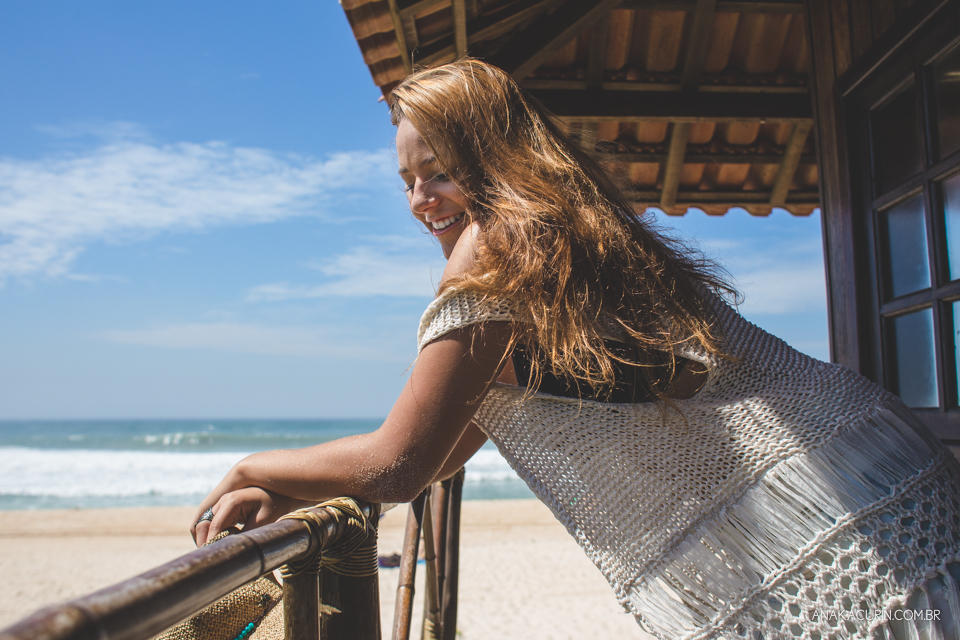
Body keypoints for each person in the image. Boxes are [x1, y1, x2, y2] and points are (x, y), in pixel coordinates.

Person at [191, 59, 960, 640]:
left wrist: (256, 468)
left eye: (439, 173)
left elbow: (401, 463)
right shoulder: (575, 224)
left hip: (833, 504)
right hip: (874, 461)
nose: (421, 201)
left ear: (489, 156)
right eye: (407, 181)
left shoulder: (495, 248)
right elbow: (452, 445)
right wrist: (298, 492)